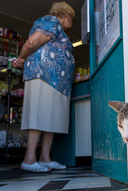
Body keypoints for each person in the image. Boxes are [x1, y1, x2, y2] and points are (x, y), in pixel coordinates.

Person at [13, 2, 75, 172]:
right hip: (44, 76)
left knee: (50, 119)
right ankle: (29, 159)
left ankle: (45, 158)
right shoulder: (51, 21)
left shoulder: (57, 29)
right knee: (39, 116)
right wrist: (21, 58)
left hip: (57, 82)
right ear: (68, 16)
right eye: (73, 20)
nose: (72, 25)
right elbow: (32, 42)